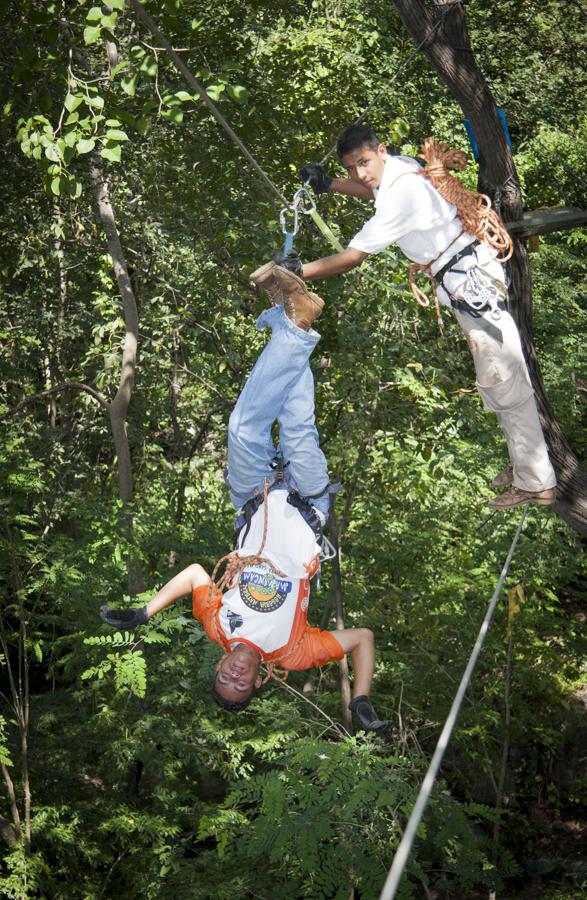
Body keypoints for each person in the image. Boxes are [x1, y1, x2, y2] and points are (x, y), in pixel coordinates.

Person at [100, 279, 391, 732]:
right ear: (258, 683)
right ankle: (289, 318)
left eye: (224, 678)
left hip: (253, 495)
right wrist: (361, 699)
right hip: (307, 503)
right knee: (297, 427)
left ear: (219, 667)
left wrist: (144, 613)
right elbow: (362, 639)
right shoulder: (293, 652)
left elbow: (197, 574)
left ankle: (291, 317)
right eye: (240, 684)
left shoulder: (218, 626)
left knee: (241, 427)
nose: (233, 675)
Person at [251, 124, 557, 510]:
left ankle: (536, 481)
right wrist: (329, 185)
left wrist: (298, 270)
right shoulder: (401, 167)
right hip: (467, 275)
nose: (360, 174)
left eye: (364, 163)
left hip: (469, 283)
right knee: (497, 378)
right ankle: (524, 461)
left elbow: (352, 257)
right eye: (351, 168)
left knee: (503, 379)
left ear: (381, 150)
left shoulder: (403, 194)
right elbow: (371, 191)